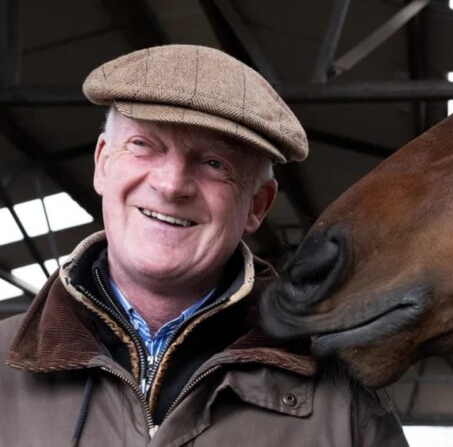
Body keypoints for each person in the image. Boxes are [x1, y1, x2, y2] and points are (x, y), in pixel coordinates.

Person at [0, 45, 408, 446]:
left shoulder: (344, 399)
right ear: (104, 163)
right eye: (144, 145)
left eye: (214, 163)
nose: (172, 184)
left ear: (258, 205)